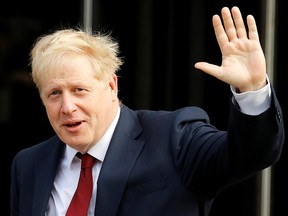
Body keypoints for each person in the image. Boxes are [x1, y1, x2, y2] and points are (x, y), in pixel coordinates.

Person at [10, 6, 284, 216]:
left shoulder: (174, 138)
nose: (67, 107)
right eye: (54, 94)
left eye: (79, 90)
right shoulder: (29, 165)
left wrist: (252, 90)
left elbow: (250, 155)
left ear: (111, 86)